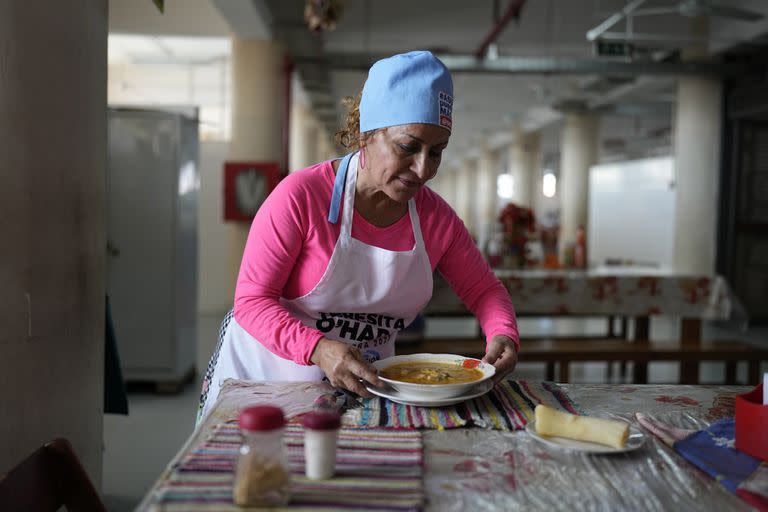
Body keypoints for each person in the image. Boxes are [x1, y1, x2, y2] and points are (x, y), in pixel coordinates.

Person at [199, 51, 519, 421]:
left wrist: (503, 333)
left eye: (437, 152)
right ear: (367, 133)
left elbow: (484, 289)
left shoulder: (436, 219)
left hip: (364, 389)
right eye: (408, 146)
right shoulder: (301, 197)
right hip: (266, 383)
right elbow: (252, 302)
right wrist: (318, 348)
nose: (422, 169)